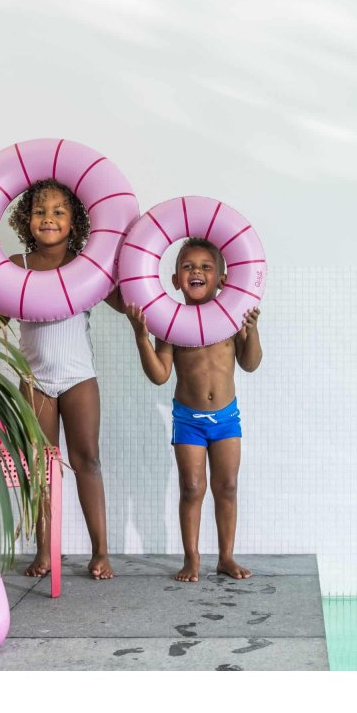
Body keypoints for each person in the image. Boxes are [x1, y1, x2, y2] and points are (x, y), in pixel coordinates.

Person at [0, 178, 120, 580]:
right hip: (35, 380)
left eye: (59, 212)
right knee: (41, 466)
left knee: (87, 460)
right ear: (26, 219)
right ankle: (45, 551)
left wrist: (119, 261)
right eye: (40, 211)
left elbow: (121, 299)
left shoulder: (87, 264)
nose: (48, 218)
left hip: (79, 378)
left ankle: (100, 551)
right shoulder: (17, 265)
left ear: (74, 221)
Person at [127, 237, 262, 582]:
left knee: (227, 486)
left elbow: (250, 364)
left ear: (222, 279)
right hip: (188, 419)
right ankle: (192, 558)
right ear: (175, 280)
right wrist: (142, 338)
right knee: (191, 487)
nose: (196, 272)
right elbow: (160, 375)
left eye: (205, 266)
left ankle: (226, 557)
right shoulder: (171, 322)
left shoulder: (231, 318)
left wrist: (252, 331)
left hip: (226, 418)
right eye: (187, 267)